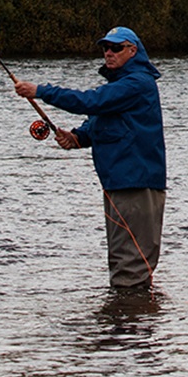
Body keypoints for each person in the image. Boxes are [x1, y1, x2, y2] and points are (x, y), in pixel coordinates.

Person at [17, 27, 165, 290]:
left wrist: (41, 90)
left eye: (116, 47)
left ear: (133, 51)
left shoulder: (137, 83)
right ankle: (133, 317)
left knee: (130, 264)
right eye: (106, 47)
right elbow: (102, 119)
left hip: (135, 184)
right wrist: (78, 138)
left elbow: (91, 102)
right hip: (120, 183)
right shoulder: (121, 86)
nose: (108, 52)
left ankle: (127, 322)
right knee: (124, 259)